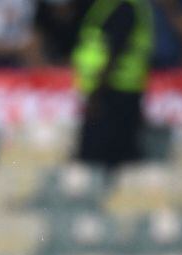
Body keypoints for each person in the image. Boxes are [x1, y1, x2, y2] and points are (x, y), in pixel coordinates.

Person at [72, 0, 153, 171]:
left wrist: (96, 93)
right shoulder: (106, 5)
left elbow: (113, 51)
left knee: (102, 158)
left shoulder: (123, 7)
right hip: (113, 90)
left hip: (114, 93)